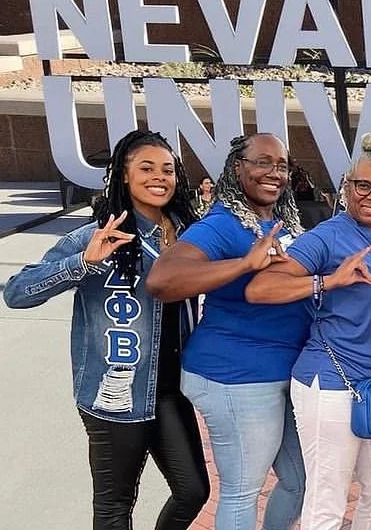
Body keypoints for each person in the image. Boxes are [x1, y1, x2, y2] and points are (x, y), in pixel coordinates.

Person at [4, 130, 209, 530]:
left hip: (172, 391)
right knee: (115, 507)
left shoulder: (188, 233)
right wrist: (83, 262)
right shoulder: (99, 236)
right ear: (124, 176)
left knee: (193, 491)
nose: (159, 177)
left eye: (167, 169)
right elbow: (17, 292)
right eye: (146, 168)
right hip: (114, 397)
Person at [246, 134, 371, 530]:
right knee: (327, 499)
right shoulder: (326, 237)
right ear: (346, 188)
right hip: (332, 384)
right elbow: (260, 288)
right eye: (363, 185)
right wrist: (327, 282)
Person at [146, 133, 308, 530]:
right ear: (238, 168)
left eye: (282, 165)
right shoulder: (221, 224)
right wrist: (242, 264)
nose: (274, 173)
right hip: (236, 376)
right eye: (263, 162)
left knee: (299, 482)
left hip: (279, 372)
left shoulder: (278, 220)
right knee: (241, 491)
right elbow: (162, 279)